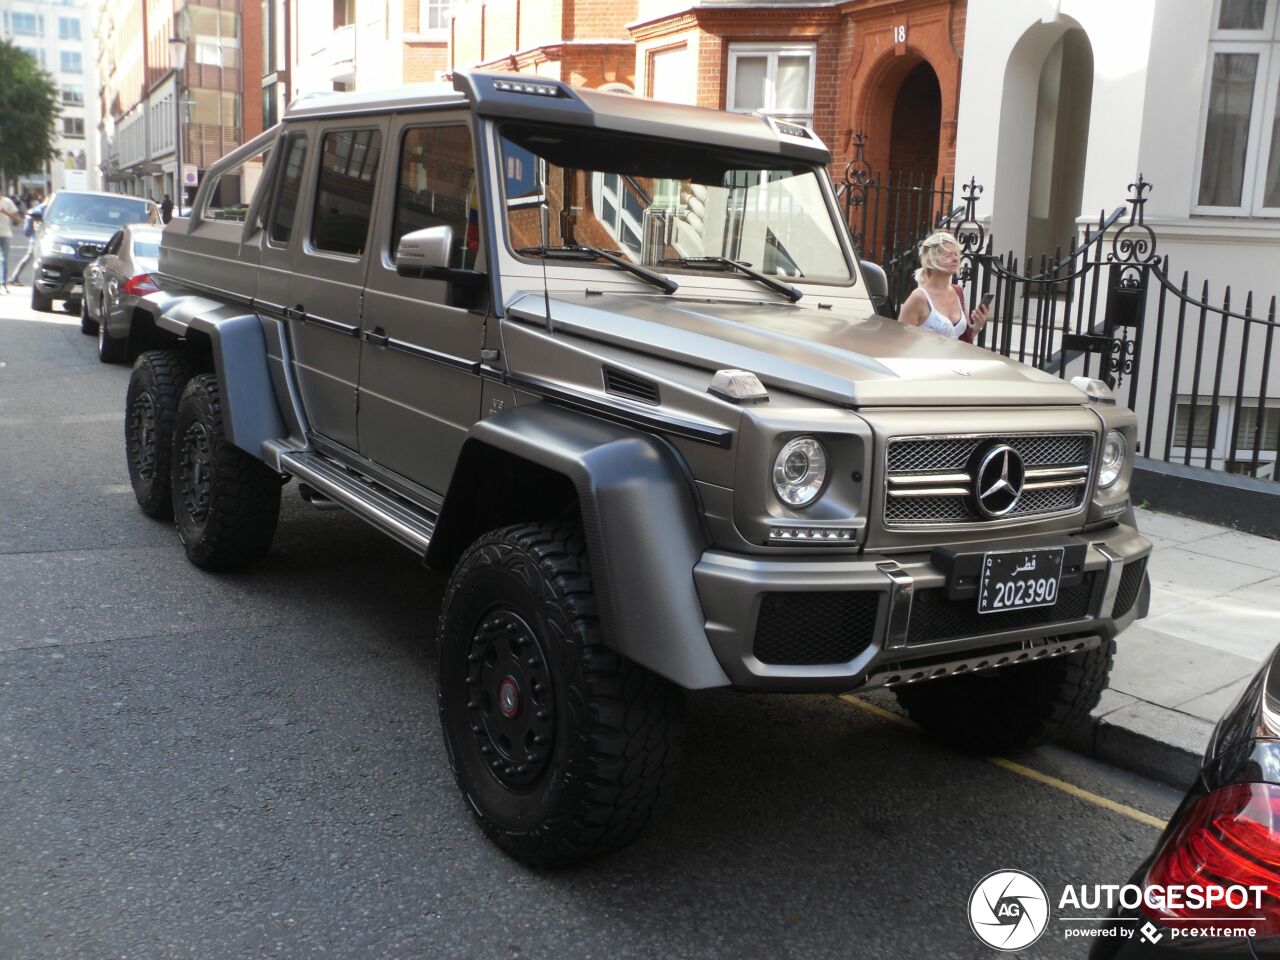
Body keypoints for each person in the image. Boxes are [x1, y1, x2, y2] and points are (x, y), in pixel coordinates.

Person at [897, 230, 989, 342]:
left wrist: (977, 327)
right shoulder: (919, 297)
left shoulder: (958, 292)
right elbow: (901, 343)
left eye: (956, 254)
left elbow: (964, 339)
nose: (955, 259)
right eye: (947, 255)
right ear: (931, 260)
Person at [7, 201, 43, 286]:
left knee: (31, 259)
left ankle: (15, 277)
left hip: (36, 239)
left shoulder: (38, 210)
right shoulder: (39, 211)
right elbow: (34, 228)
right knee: (31, 259)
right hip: (36, 240)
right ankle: (14, 277)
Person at [0, 194, 21, 293]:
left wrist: (5, 212)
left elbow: (18, 219)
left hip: (5, 234)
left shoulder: (8, 202)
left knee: (3, 259)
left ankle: (3, 283)